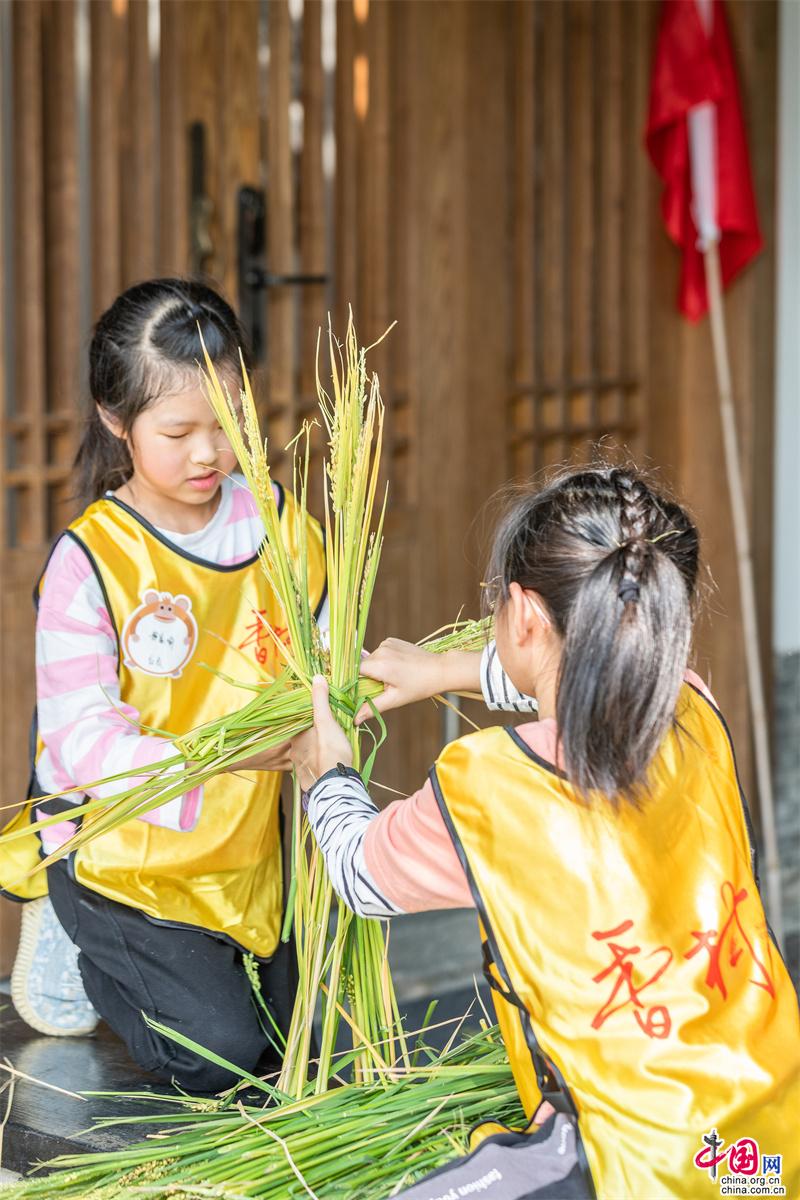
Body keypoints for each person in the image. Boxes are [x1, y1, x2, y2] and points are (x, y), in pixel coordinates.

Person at [289, 467, 799, 1199]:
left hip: (636, 1163)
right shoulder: (694, 711)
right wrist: (446, 670)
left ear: (524, 613)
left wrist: (326, 773)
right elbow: (596, 678)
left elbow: (358, 875)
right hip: (769, 1138)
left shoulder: (489, 788)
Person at [1, 279, 327, 1091]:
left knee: (308, 1050)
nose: (209, 453)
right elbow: (81, 743)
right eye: (178, 431)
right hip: (125, 849)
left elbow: (323, 665)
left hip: (244, 845)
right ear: (117, 421)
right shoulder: (92, 560)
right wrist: (226, 760)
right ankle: (79, 929)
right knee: (216, 1059)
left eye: (229, 421)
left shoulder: (285, 529)